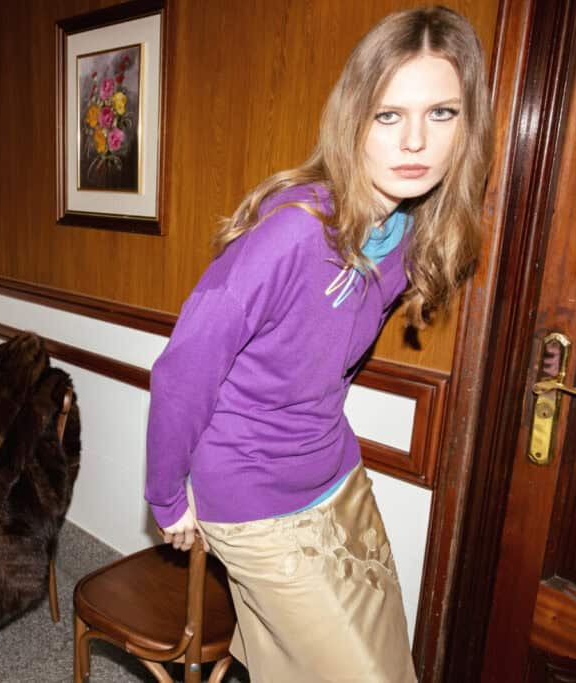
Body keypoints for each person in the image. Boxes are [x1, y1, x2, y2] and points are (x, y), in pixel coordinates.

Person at [144, 6, 492, 682]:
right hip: (250, 488)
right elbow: (183, 368)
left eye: (441, 113)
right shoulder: (294, 234)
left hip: (334, 472)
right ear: (353, 119)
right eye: (389, 115)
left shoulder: (406, 234)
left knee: (386, 653)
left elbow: (324, 357)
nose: (415, 140)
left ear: (466, 125)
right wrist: (167, 497)